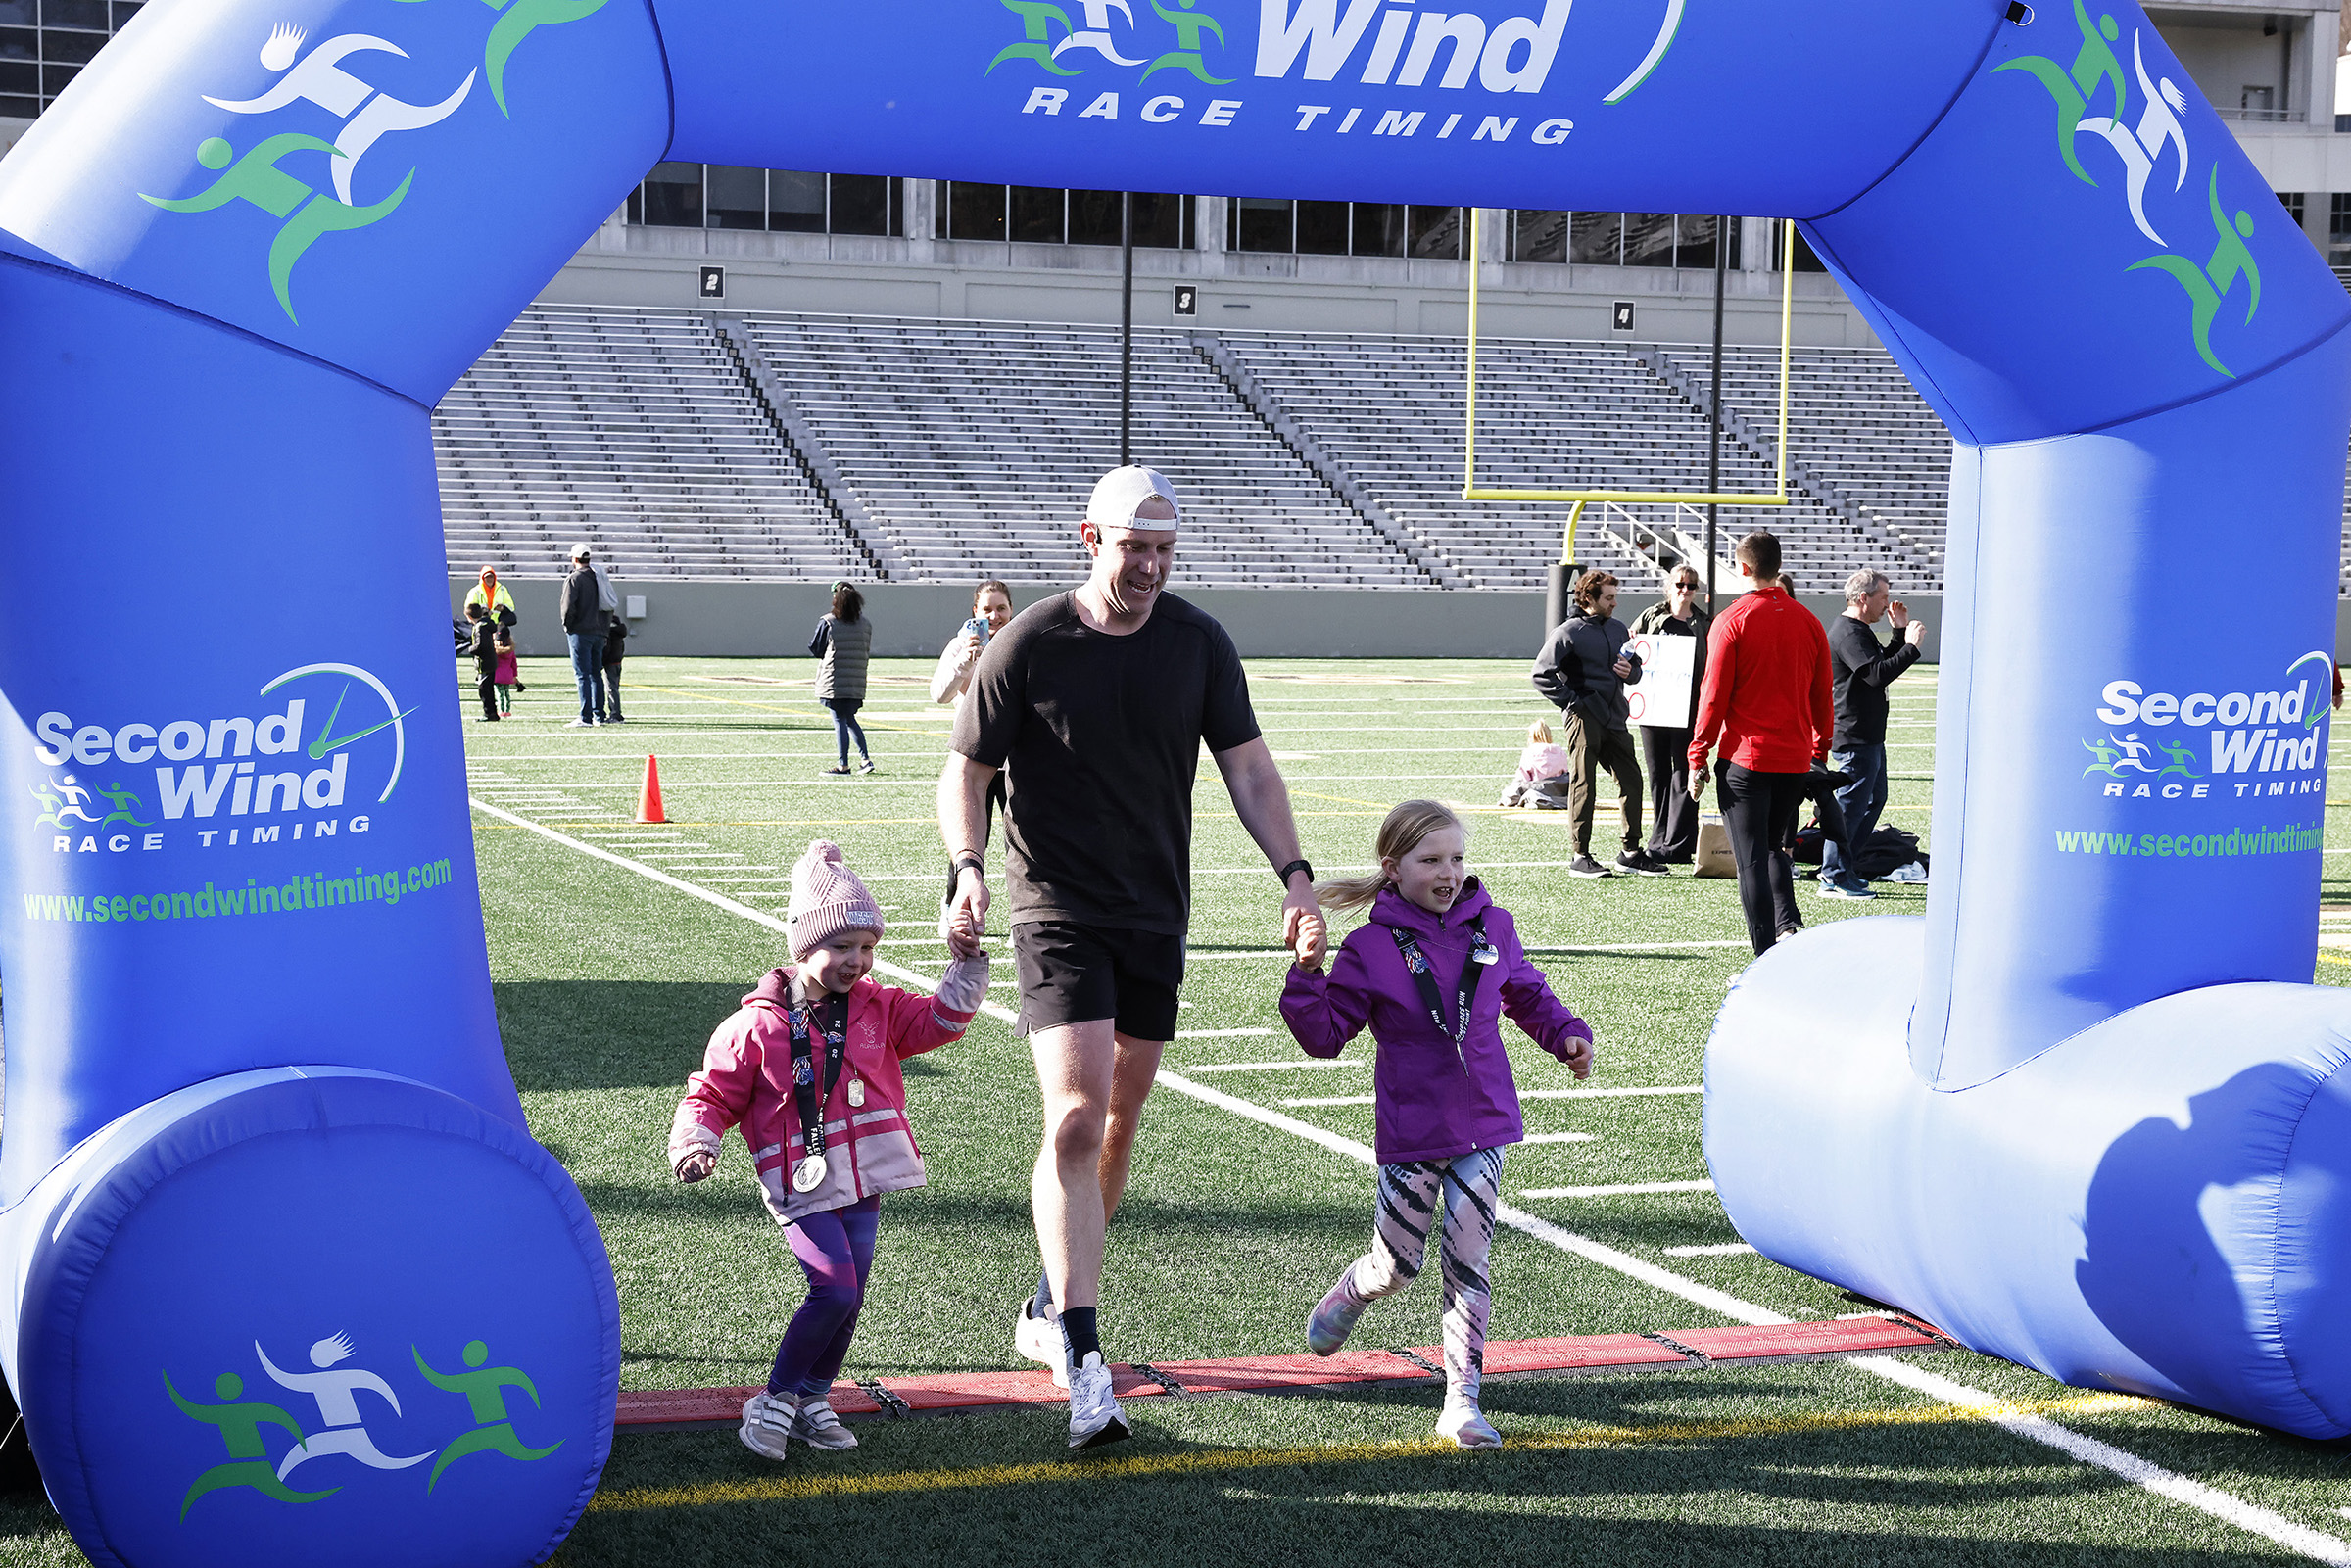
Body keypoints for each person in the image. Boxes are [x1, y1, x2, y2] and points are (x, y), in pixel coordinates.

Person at [937, 462, 1325, 1449]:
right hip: (1054, 905)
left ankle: (1046, 1295)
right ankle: (1083, 1352)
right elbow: (968, 768)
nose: (1150, 566)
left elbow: (1247, 765)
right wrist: (968, 865)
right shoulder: (1029, 641)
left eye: (1163, 549)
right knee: (1072, 1115)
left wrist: (1295, 872)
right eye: (1133, 547)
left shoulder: (1197, 642)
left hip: (1155, 910)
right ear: (1090, 538)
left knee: (1118, 1119)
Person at [1279, 800, 1594, 1449]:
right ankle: (1357, 1287)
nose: (1448, 872)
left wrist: (1566, 1034)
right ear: (1393, 869)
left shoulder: (1493, 926)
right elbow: (1325, 1035)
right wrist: (1308, 971)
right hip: (1413, 1134)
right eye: (1431, 860)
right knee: (1399, 1267)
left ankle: (1462, 1401)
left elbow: (1527, 991)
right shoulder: (1369, 946)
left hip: (1485, 1128)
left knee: (1469, 1261)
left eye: (1455, 857)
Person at [669, 840, 989, 1460]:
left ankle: (814, 1397)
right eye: (842, 946)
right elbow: (711, 1093)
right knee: (835, 1289)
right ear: (802, 945)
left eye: (867, 947)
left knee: (852, 1294)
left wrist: (965, 964)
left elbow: (939, 1024)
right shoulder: (756, 1027)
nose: (858, 961)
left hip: (864, 1175)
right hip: (800, 1179)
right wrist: (697, 1141)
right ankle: (777, 1397)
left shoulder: (877, 1005)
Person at [1688, 532, 1835, 955]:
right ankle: (1787, 929)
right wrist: (1819, 753)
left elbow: (1713, 696)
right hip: (1793, 761)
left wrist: (1697, 755)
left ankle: (1764, 956)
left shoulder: (1732, 620)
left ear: (1744, 568)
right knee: (1774, 849)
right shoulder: (1808, 620)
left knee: (1751, 859)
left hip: (1747, 760)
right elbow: (1822, 695)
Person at [1530, 569, 1660, 880]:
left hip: (1616, 717)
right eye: (1610, 597)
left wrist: (1631, 671)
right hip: (1584, 719)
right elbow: (1541, 674)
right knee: (1584, 784)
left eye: (1616, 596)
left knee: (1632, 781)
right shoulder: (1568, 632)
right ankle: (1580, 855)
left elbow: (1635, 670)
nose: (1615, 603)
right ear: (1588, 597)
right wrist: (1573, 702)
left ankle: (1630, 852)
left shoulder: (1618, 629)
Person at [1821, 570, 1927, 899]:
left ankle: (1845, 867)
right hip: (1854, 735)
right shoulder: (1849, 633)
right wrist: (1911, 647)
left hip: (1867, 734)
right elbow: (1875, 675)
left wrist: (1897, 634)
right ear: (1863, 598)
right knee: (1851, 807)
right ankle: (1834, 874)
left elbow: (1880, 663)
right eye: (1882, 597)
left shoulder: (1859, 630)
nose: (1887, 604)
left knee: (1872, 800)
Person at [1630, 566, 1711, 864]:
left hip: (1687, 706)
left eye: (1691, 585)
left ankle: (1677, 843)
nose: (1685, 590)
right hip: (1653, 706)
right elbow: (1630, 648)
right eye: (1680, 584)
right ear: (1669, 586)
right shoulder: (1651, 616)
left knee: (1683, 773)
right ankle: (1658, 836)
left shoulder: (1703, 622)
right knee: (1657, 774)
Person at [810, 582, 875, 776]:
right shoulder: (865, 624)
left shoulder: (828, 621)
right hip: (856, 680)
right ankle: (865, 759)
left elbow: (816, 648)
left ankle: (843, 765)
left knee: (839, 720)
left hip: (834, 680)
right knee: (850, 720)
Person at [930, 579, 1017, 713]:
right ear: (976, 611)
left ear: (1011, 609)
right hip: (973, 732)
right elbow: (940, 696)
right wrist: (965, 659)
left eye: (1001, 608)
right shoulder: (959, 646)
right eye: (987, 609)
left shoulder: (1023, 645)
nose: (994, 616)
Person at [559, 544, 608, 728]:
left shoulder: (575, 579)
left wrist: (568, 626)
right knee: (596, 673)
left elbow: (567, 607)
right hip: (599, 630)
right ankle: (599, 715)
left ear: (574, 559)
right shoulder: (598, 577)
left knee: (582, 674)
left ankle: (585, 716)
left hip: (581, 631)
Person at [1499, 718, 1570, 809]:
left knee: (1512, 790)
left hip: (1537, 789)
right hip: (1558, 789)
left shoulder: (1529, 752)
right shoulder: (1559, 750)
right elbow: (1564, 772)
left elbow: (1523, 778)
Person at [464, 604, 500, 723]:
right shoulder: (486, 625)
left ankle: (489, 713)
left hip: (485, 663)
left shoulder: (480, 627)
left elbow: (481, 646)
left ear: (469, 616)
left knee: (484, 690)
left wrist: (470, 649)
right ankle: (493, 713)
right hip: (490, 662)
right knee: (488, 689)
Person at [601, 616, 628, 725]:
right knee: (614, 688)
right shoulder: (619, 634)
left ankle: (615, 714)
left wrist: (602, 660)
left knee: (611, 689)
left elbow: (607, 650)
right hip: (617, 662)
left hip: (610, 662)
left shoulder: (610, 634)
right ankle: (616, 713)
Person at [492, 620, 519, 717]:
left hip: (497, 676)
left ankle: (501, 710)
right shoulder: (511, 651)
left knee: (499, 694)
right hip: (508, 675)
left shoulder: (494, 651)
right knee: (506, 693)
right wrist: (514, 675)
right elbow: (514, 664)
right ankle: (507, 709)